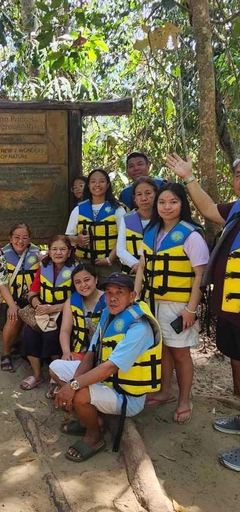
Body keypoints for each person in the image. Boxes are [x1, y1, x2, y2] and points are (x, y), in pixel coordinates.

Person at [166, 154, 240, 470]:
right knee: (238, 362)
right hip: (231, 308)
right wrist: (188, 177)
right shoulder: (236, 208)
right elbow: (210, 211)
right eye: (238, 173)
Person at [49, 272, 162, 462]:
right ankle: (94, 419)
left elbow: (110, 367)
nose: (113, 298)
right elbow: (92, 352)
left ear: (132, 296)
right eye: (109, 293)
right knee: (55, 367)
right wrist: (74, 381)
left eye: (120, 292)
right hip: (107, 382)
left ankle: (94, 437)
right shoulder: (108, 315)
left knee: (81, 393)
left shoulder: (139, 327)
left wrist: (74, 387)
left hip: (126, 395)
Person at [134, 182, 208, 425]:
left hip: (178, 305)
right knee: (163, 350)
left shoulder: (192, 235)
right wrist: (136, 292)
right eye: (162, 202)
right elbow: (143, 266)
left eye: (173, 202)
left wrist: (190, 309)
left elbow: (200, 275)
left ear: (182, 204)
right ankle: (165, 391)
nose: (167, 207)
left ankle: (184, 399)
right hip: (152, 303)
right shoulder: (152, 231)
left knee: (180, 354)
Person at [21, 235, 78, 390]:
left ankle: (56, 376)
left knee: (51, 334)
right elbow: (33, 291)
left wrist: (53, 308)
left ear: (69, 251)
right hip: (43, 310)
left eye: (62, 249)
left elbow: (77, 297)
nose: (58, 252)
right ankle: (37, 374)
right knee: (28, 334)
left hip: (65, 312)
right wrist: (38, 305)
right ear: (49, 251)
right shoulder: (44, 267)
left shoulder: (76, 269)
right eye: (54, 249)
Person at [0, 223, 42, 371]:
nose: (20, 241)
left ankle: (27, 351)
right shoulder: (3, 255)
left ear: (29, 239)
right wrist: (12, 305)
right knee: (13, 317)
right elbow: (2, 284)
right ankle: (6, 352)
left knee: (32, 323)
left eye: (24, 238)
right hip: (12, 298)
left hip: (32, 298)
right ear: (10, 238)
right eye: (16, 237)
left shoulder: (38, 253)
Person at [66, 169, 126, 283]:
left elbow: (123, 238)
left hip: (109, 265)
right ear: (88, 185)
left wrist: (109, 259)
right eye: (93, 181)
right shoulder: (78, 209)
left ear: (108, 185)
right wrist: (77, 239)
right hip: (83, 263)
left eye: (102, 181)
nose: (97, 185)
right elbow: (68, 237)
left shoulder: (117, 209)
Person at [58, 265, 106, 362]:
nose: (83, 285)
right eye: (78, 282)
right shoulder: (71, 301)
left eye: (87, 280)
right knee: (55, 371)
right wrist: (66, 352)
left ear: (96, 279)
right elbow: (65, 331)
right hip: (80, 353)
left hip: (105, 353)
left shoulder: (109, 300)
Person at [116, 177, 158, 275]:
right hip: (131, 272)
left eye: (148, 193)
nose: (144, 198)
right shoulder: (126, 219)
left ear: (156, 195)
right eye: (139, 194)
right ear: (135, 198)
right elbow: (120, 250)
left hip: (156, 273)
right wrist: (138, 265)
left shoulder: (163, 219)